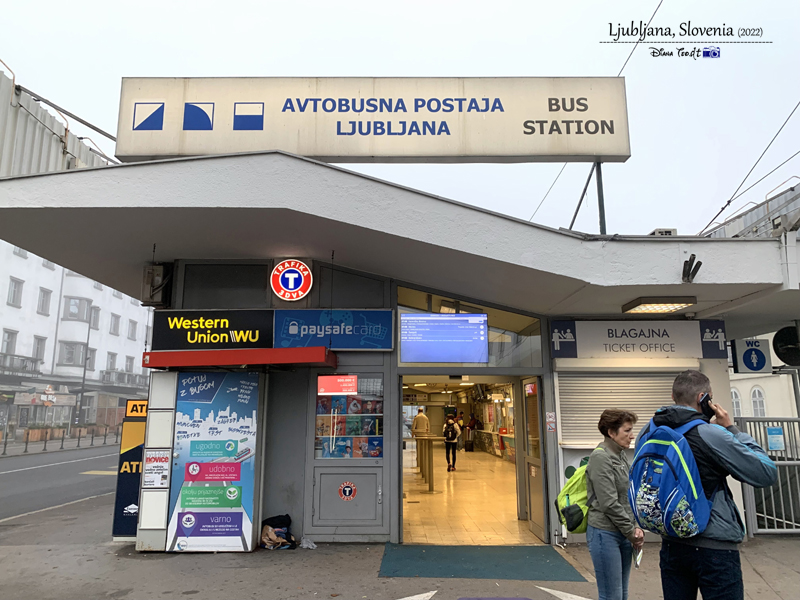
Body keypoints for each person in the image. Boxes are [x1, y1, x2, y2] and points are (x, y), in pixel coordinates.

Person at [638, 370, 777, 600]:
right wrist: (731, 429)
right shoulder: (710, 433)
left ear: (673, 396)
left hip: (672, 542)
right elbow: (765, 472)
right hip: (714, 545)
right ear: (703, 398)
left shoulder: (648, 432)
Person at [585, 409, 644, 600]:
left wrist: (635, 527)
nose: (632, 436)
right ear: (611, 432)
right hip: (605, 533)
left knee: (621, 593)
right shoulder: (600, 457)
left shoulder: (620, 455)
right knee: (612, 595)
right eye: (627, 430)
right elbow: (609, 503)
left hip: (623, 532)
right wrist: (631, 531)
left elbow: (627, 496)